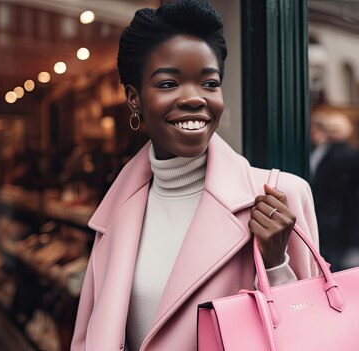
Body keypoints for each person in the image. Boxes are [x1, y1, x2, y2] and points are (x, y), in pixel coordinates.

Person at [72, 1, 321, 350]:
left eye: (209, 83)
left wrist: (276, 264)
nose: (194, 99)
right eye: (168, 83)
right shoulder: (115, 212)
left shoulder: (280, 196)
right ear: (134, 98)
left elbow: (306, 336)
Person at [309, 110, 359, 270]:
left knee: (335, 260)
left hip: (336, 216)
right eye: (329, 128)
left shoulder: (345, 153)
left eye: (335, 128)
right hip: (329, 214)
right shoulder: (322, 149)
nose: (331, 132)